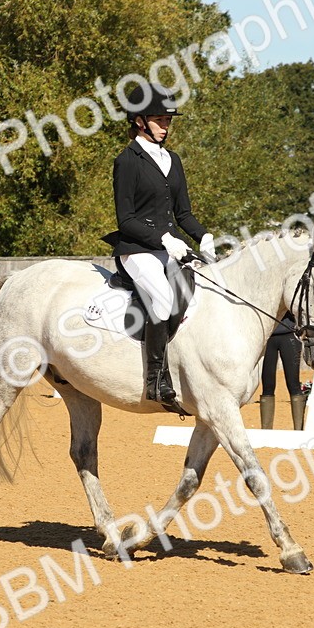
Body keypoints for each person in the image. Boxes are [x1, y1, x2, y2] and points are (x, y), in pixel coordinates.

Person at [102, 83, 216, 408]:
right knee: (164, 300)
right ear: (140, 121)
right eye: (160, 120)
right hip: (136, 249)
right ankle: (155, 379)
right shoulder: (127, 160)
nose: (166, 125)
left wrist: (204, 235)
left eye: (168, 120)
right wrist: (163, 239)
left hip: (169, 248)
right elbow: (126, 219)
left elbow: (183, 214)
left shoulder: (173, 160)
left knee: (198, 296)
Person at [260, 312, 306, 429]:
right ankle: (266, 431)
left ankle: (299, 430)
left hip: (289, 334)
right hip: (268, 335)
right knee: (267, 384)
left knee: (293, 383)